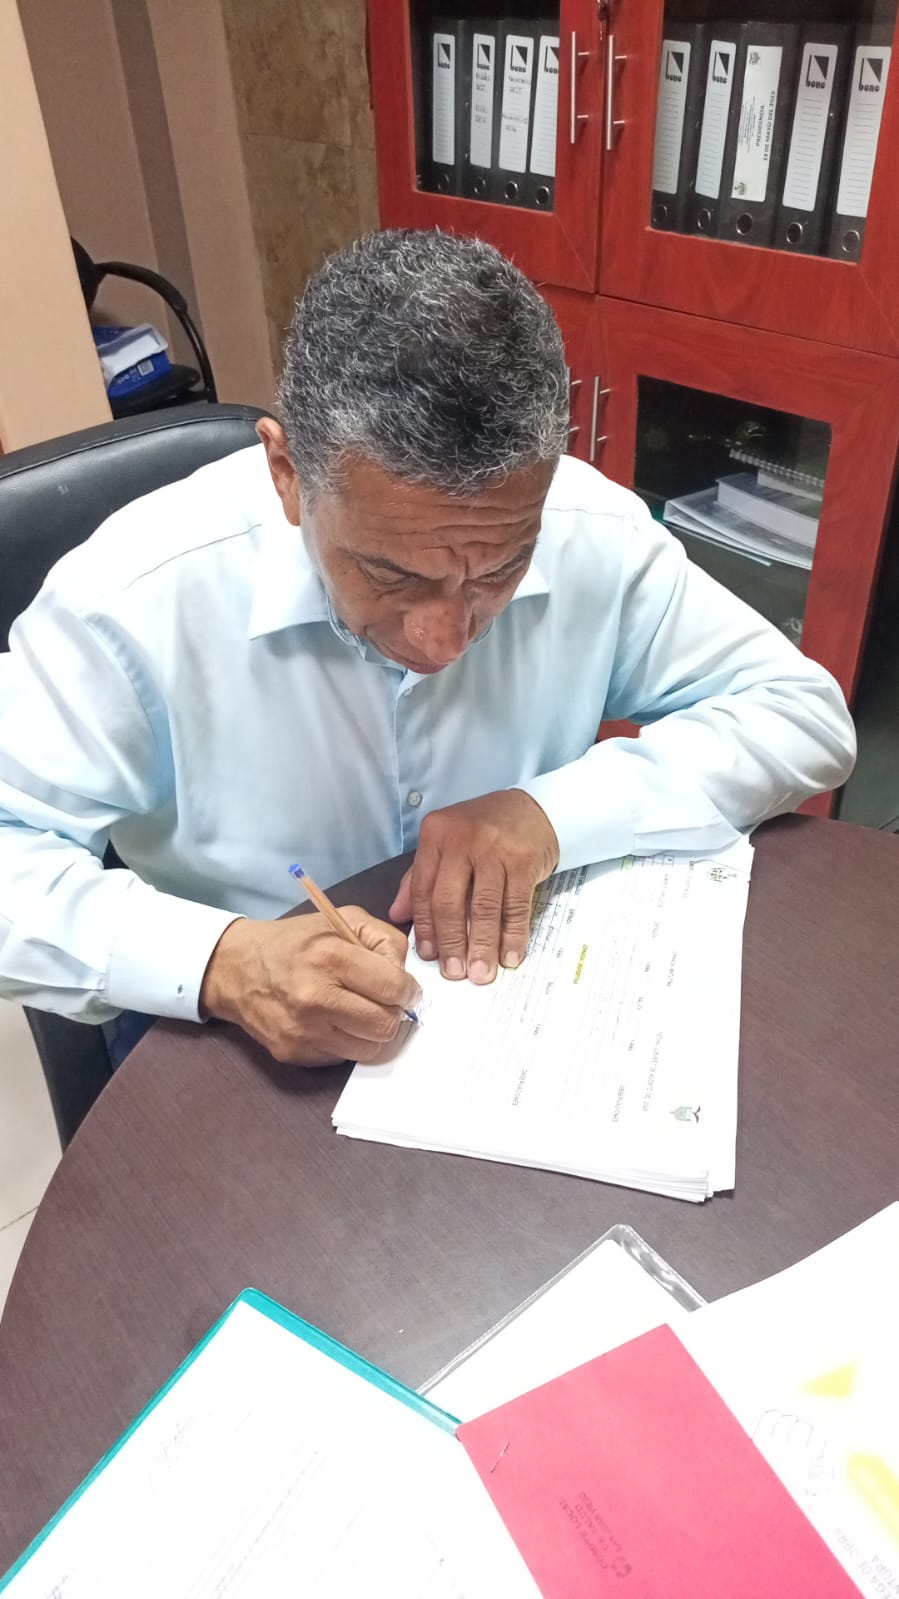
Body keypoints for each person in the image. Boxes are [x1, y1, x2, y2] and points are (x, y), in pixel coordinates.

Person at [0, 230, 855, 1067]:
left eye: (500, 570)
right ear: (287, 474)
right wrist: (224, 961)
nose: (444, 639)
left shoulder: (589, 531)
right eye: (390, 574)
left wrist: (550, 813)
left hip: (505, 1004)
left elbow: (802, 715)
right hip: (227, 1029)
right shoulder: (131, 599)